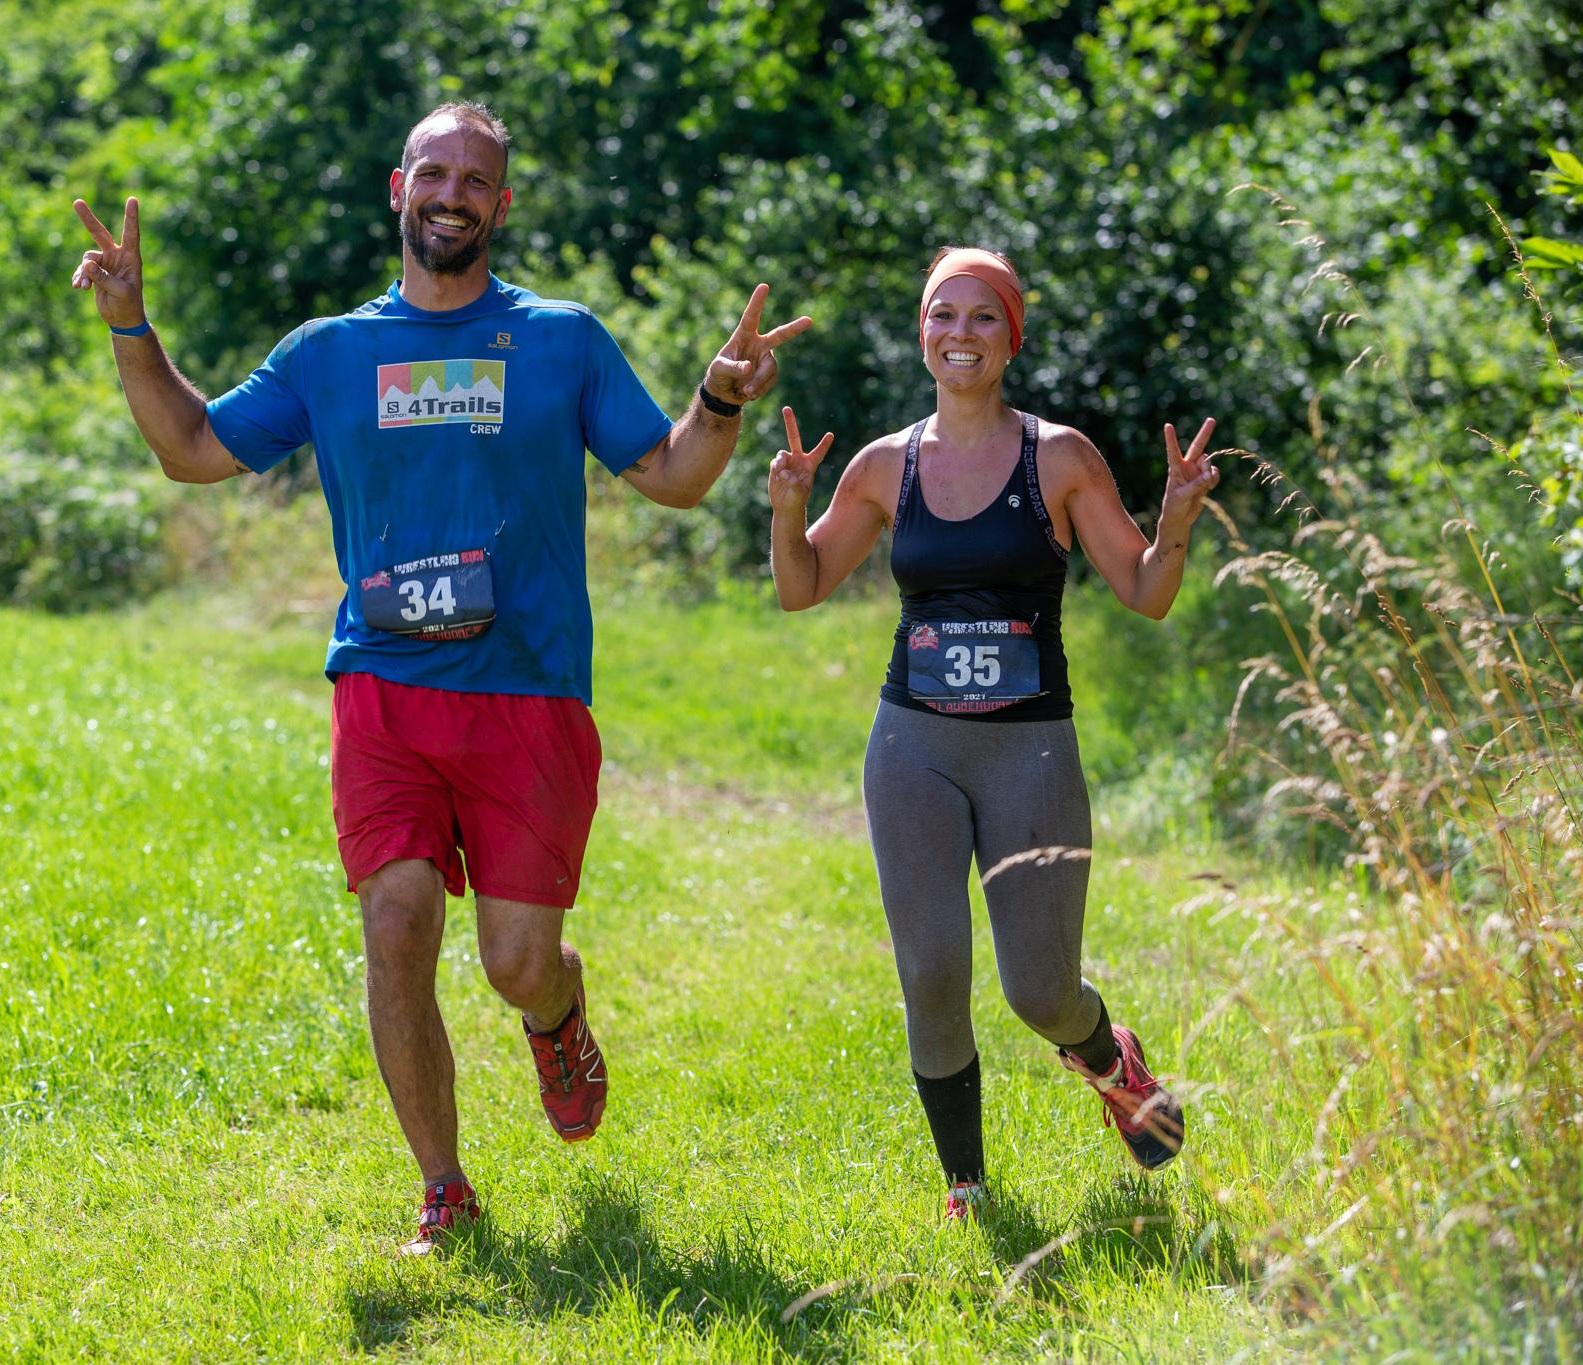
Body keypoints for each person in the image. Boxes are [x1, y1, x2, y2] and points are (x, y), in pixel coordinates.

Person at [69, 102, 811, 1254]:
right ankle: (444, 1189)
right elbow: (191, 450)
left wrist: (716, 398)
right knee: (396, 924)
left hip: (527, 693)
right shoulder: (330, 352)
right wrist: (131, 326)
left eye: (476, 178)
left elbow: (669, 475)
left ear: (500, 207)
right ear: (398, 189)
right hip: (382, 687)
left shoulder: (558, 338)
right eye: (435, 172)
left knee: (515, 960)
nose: (452, 193)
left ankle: (555, 1014)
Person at [766, 247, 1217, 1219]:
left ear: (1009, 338)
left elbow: (1144, 591)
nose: (958, 334)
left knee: (1039, 992)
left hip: (1028, 749)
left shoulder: (1056, 456)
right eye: (941, 314)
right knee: (930, 970)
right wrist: (788, 509)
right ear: (920, 331)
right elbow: (799, 588)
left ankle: (1106, 1054)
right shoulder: (885, 464)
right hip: (912, 747)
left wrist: (1174, 516)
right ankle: (964, 1185)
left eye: (980, 318)